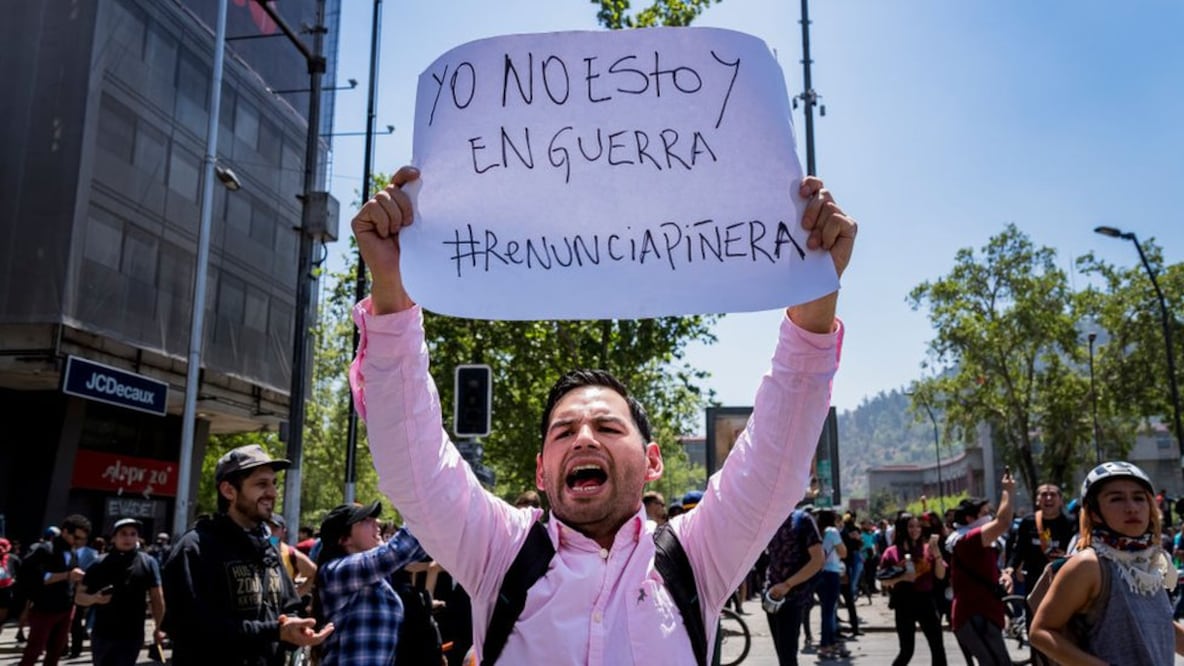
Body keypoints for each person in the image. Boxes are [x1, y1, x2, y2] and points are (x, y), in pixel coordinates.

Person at [348, 166, 855, 664]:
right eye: (564, 430)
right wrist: (392, 289)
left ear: (652, 460)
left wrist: (814, 302)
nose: (584, 438)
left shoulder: (698, 555)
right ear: (541, 471)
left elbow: (774, 458)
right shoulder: (497, 550)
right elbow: (412, 461)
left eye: (609, 427)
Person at [162, 444, 332, 665]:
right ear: (229, 490)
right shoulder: (195, 548)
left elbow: (288, 606)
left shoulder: (267, 547)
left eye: (274, 484)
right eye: (261, 484)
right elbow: (191, 627)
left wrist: (296, 628)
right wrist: (275, 631)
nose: (272, 493)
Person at [1029, 461, 1184, 665]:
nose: (1131, 508)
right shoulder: (1089, 564)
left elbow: (1159, 624)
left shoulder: (1152, 560)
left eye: (1139, 498)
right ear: (1094, 513)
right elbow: (1040, 632)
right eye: (1116, 499)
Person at [312, 501, 429, 666]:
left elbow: (419, 546)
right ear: (344, 539)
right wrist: (424, 504)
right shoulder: (336, 571)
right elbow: (397, 552)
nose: (377, 522)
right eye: (366, 520)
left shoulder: (374, 577)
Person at [946, 470, 1015, 666]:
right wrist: (1008, 492)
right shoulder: (967, 540)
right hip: (973, 614)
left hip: (986, 612)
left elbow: (986, 569)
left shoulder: (982, 543)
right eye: (985, 514)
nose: (989, 517)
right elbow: (1003, 522)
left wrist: (1003, 576)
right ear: (969, 519)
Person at [74, 517, 165, 666]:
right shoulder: (98, 564)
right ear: (114, 538)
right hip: (103, 635)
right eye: (123, 533)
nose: (128, 538)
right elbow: (79, 597)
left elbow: (157, 597)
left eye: (133, 533)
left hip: (132, 636)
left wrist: (159, 627)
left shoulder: (148, 563)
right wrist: (94, 598)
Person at [18, 514, 91, 666]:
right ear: (65, 532)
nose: (78, 542)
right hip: (44, 608)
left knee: (56, 650)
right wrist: (68, 575)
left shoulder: (72, 552)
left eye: (82, 539)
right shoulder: (45, 550)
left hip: (65, 608)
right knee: (35, 649)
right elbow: (36, 576)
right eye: (76, 537)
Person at [878, 513, 947, 666]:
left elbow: (941, 576)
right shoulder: (892, 552)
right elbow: (884, 581)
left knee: (938, 648)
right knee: (907, 650)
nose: (915, 530)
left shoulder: (928, 548)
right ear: (902, 528)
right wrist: (901, 578)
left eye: (918, 526)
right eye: (911, 526)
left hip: (926, 601)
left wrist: (937, 556)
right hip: (904, 602)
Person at [763, 503, 824, 665]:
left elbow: (818, 560)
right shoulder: (768, 521)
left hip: (793, 597)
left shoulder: (802, 520)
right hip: (772, 596)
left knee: (788, 658)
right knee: (783, 656)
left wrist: (788, 585)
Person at [1008, 483, 1073, 599]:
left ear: (1061, 501)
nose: (1048, 498)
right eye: (1044, 494)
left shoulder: (1071, 523)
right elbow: (1019, 550)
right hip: (1035, 585)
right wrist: (1010, 569)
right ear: (1037, 501)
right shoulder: (1028, 522)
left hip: (1064, 582)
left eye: (1053, 494)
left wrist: (1068, 557)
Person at [815, 509, 850, 660]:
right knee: (829, 612)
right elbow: (843, 552)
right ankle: (825, 645)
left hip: (818, 574)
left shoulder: (817, 532)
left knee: (826, 610)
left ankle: (831, 642)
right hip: (831, 574)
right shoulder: (832, 532)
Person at [266, 515, 317, 598]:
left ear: (283, 531)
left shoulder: (290, 553)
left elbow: (314, 573)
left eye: (274, 528)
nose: (270, 532)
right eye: (266, 527)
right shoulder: (252, 549)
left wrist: (295, 596)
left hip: (281, 608)